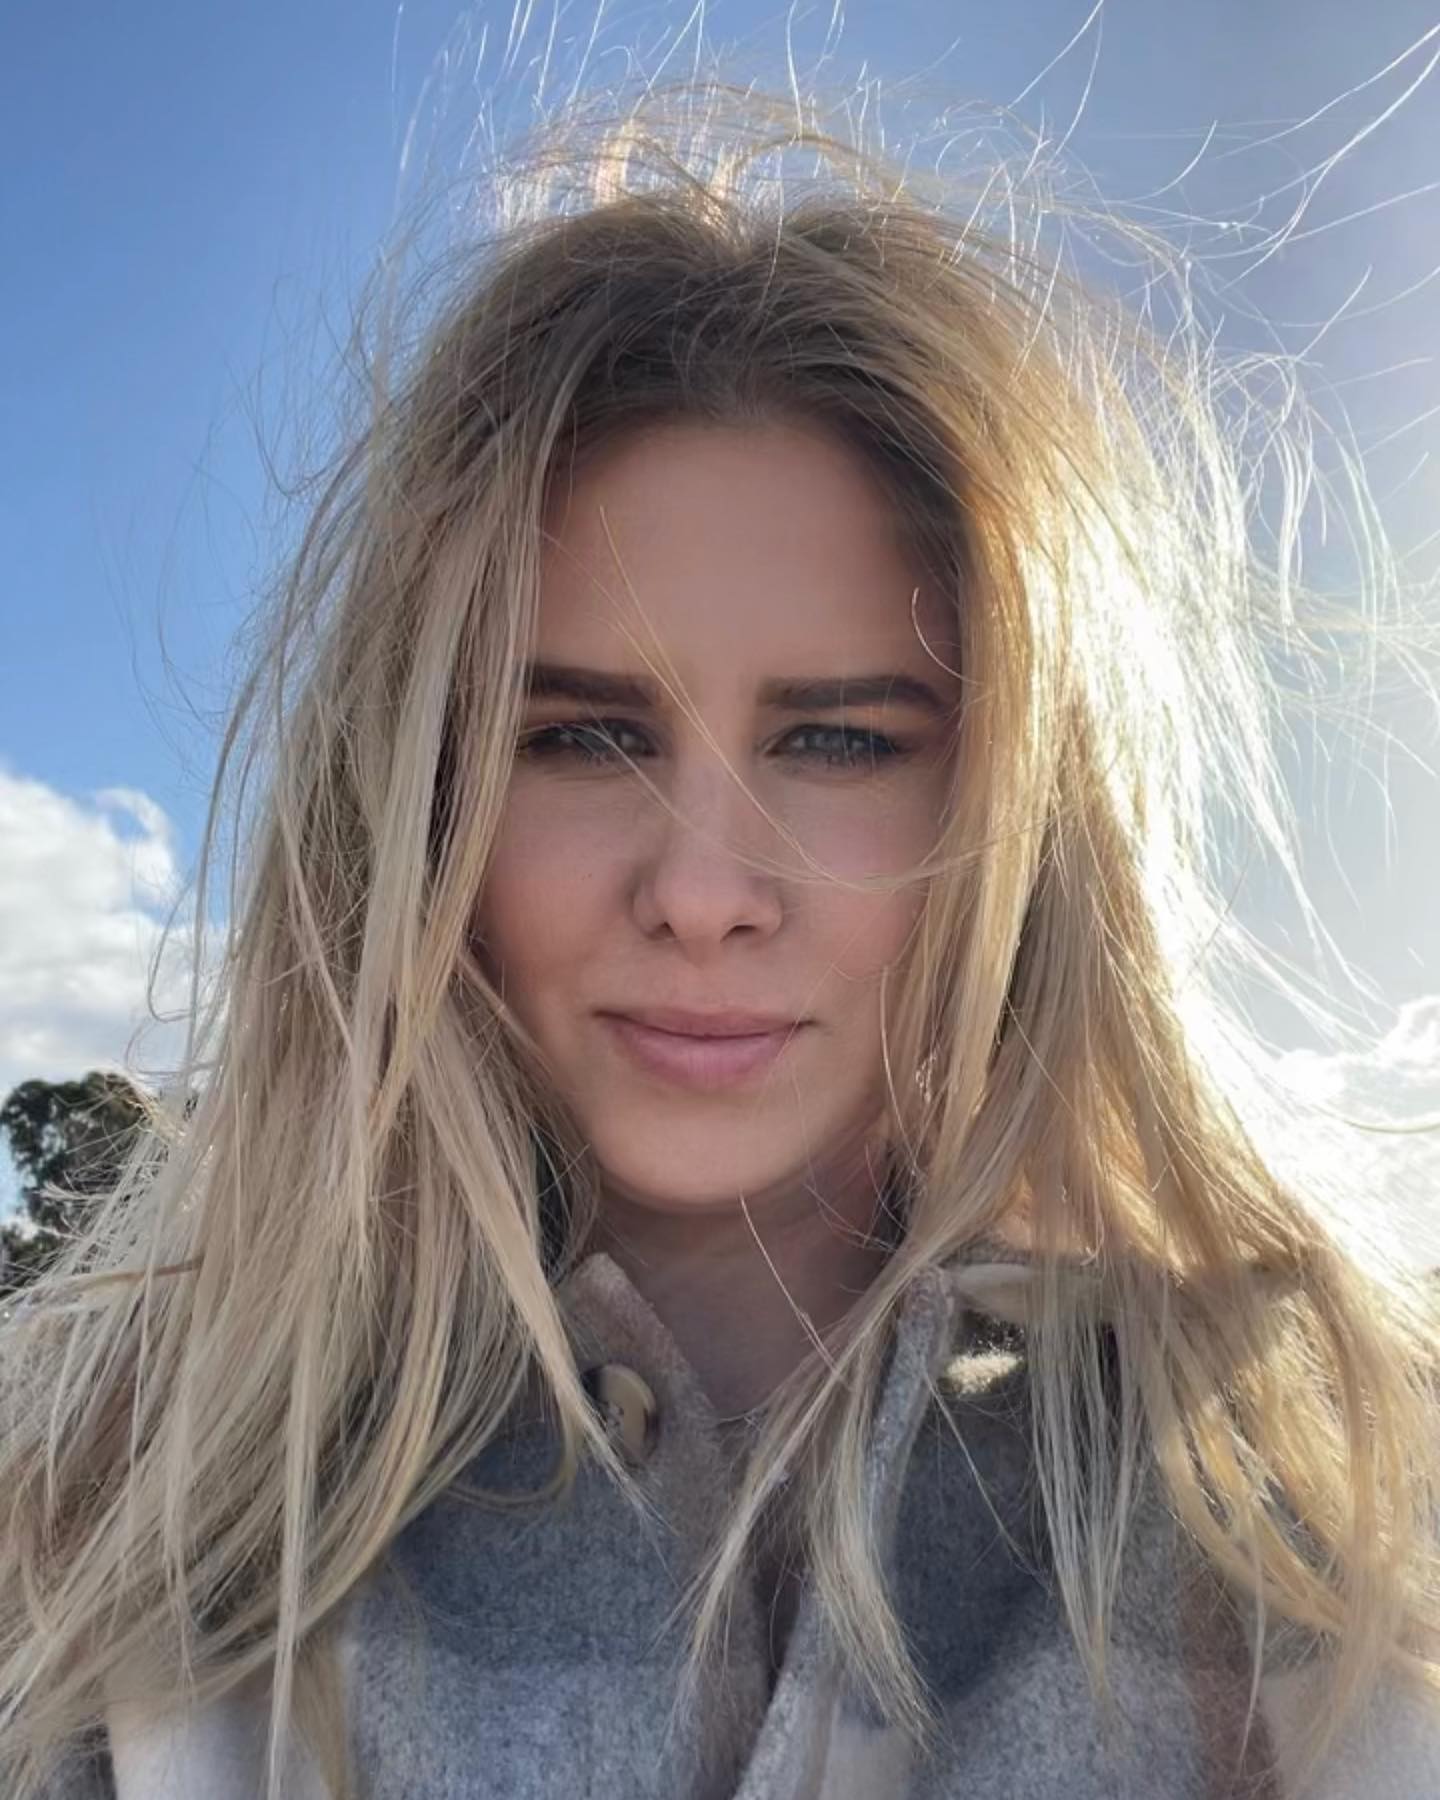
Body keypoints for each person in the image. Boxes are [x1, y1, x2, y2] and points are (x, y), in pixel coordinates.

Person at [4, 78, 1439, 1800]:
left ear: (1024, 810)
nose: (703, 890)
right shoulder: (104, 1504)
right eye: (581, 735)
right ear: (419, 798)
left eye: (839, 739)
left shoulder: (1318, 1510)